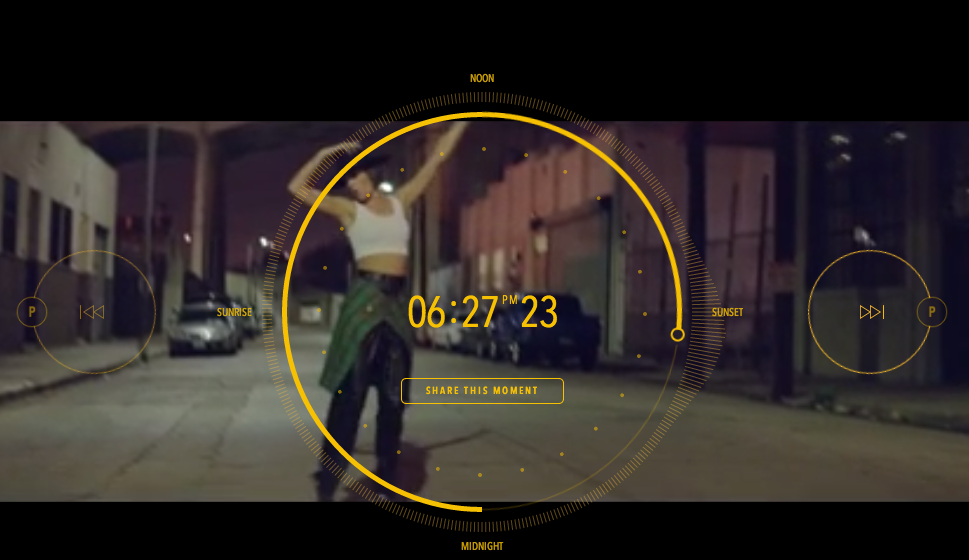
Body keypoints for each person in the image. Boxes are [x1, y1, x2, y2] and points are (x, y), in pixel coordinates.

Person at [287, 121, 470, 501]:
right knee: (350, 397)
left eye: (356, 177)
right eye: (347, 181)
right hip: (365, 302)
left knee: (394, 398)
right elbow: (297, 188)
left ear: (369, 176)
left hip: (396, 306)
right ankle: (328, 478)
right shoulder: (347, 211)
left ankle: (388, 473)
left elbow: (436, 160)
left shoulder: (401, 201)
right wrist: (325, 154)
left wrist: (465, 120)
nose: (353, 184)